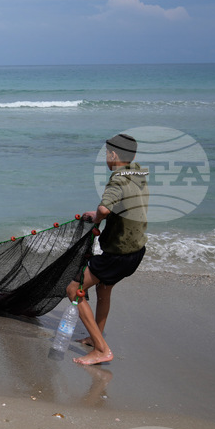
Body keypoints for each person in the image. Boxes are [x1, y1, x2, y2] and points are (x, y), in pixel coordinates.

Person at [69, 133, 149, 365]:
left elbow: (104, 209)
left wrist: (97, 217)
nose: (106, 157)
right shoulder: (138, 174)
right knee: (103, 289)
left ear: (113, 155)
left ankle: (102, 350)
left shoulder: (117, 179)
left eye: (106, 153)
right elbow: (122, 206)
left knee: (74, 290)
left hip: (118, 255)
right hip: (135, 251)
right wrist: (98, 214)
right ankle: (95, 338)